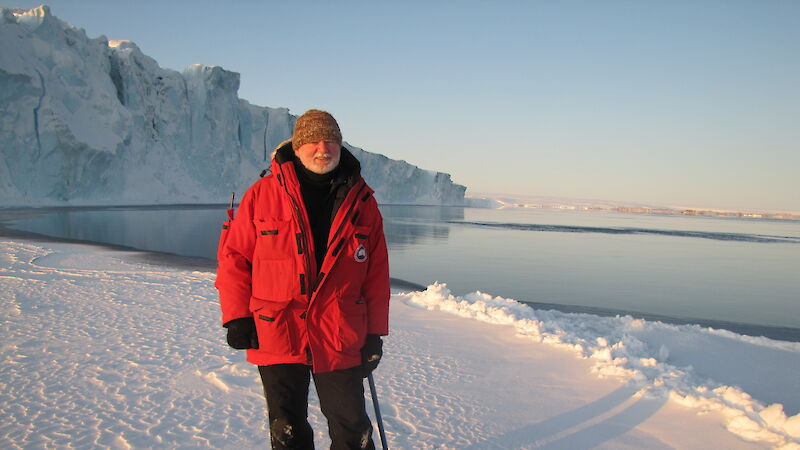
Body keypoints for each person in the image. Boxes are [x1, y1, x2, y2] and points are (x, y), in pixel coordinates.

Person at [215, 109, 390, 449]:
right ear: (296, 147)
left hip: (340, 330)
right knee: (287, 427)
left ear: (340, 145)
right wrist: (236, 316)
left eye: (330, 140)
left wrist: (374, 334)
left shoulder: (362, 202)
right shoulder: (261, 194)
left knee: (352, 427)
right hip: (277, 328)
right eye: (312, 140)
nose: (322, 148)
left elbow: (377, 274)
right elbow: (234, 259)